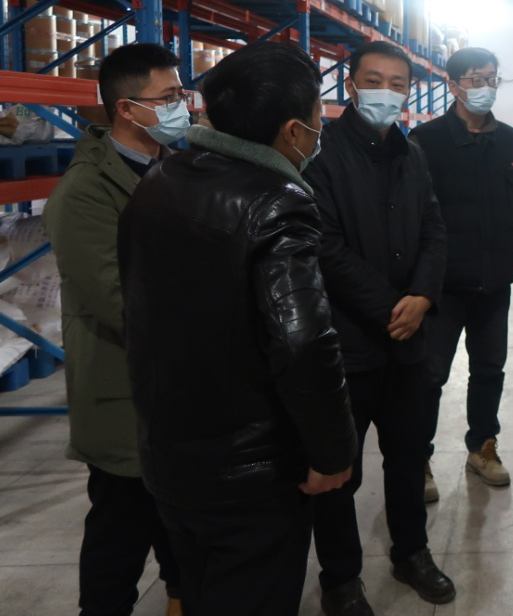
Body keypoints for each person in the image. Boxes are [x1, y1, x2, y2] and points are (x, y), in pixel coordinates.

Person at [119, 40, 357, 616]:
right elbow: (303, 342)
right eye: (317, 119)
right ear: (293, 131)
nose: (319, 133)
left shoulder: (161, 178)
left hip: (169, 454)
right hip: (250, 473)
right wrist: (332, 452)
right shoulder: (278, 203)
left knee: (203, 590)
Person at [305, 41, 454, 612]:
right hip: (348, 344)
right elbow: (325, 246)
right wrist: (395, 307)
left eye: (397, 84)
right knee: (339, 471)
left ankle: (411, 552)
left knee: (408, 456)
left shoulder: (412, 154)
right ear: (350, 85)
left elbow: (434, 228)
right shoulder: (320, 155)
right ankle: (341, 579)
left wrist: (423, 296)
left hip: (407, 345)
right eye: (374, 80)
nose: (385, 93)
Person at [44, 43, 189, 616]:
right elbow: (120, 302)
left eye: (181, 93)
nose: (182, 106)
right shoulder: (84, 193)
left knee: (180, 521)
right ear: (127, 109)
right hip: (124, 393)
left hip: (181, 386)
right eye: (169, 97)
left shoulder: (177, 168)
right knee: (121, 527)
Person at [411, 47, 513, 490]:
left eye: (491, 79)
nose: (485, 87)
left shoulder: (510, 140)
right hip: (442, 287)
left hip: (494, 282)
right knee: (429, 375)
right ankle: (417, 458)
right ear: (453, 85)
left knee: (489, 369)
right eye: (475, 79)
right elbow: (412, 210)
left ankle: (482, 447)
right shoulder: (425, 141)